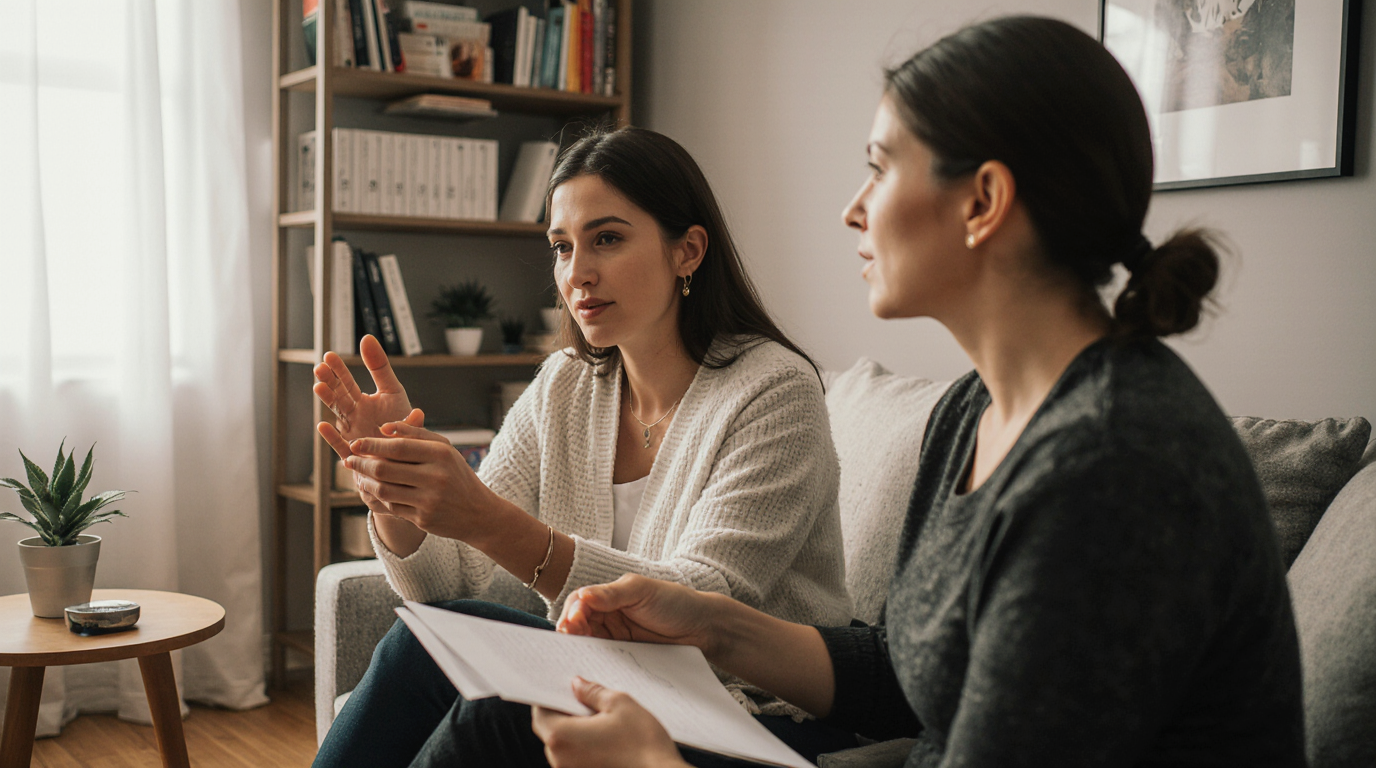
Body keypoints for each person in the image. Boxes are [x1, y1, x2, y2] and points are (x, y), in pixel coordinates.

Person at [533, 16, 1305, 768]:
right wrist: (713, 627)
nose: (853, 208)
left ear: (982, 202)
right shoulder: (977, 411)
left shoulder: (1112, 468)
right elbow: (905, 677)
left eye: (879, 167)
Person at [309, 127, 857, 768]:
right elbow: (449, 586)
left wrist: (485, 518)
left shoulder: (775, 391)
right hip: (624, 678)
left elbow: (705, 607)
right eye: (562, 248)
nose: (577, 274)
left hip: (759, 713)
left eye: (608, 239)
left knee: (505, 704)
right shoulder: (569, 382)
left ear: (688, 251)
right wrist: (399, 499)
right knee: (418, 644)